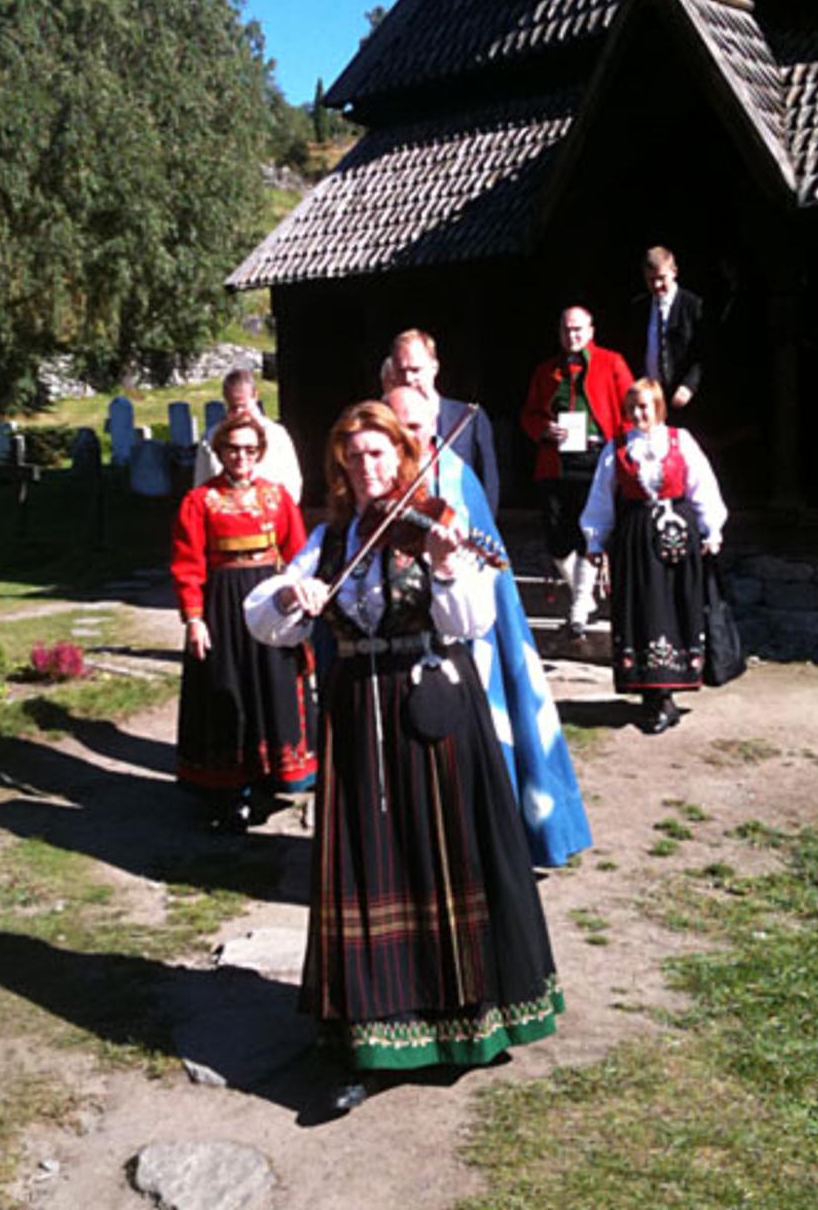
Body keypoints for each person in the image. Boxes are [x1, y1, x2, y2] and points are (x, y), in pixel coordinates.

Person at [244, 401, 562, 1108]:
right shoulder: (331, 539)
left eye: (378, 454)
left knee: (447, 859)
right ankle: (372, 1043)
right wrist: (294, 594)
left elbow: (472, 620)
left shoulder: (435, 528)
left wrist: (447, 570)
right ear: (340, 466)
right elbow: (264, 618)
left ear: (402, 457)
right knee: (369, 868)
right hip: (358, 715)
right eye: (354, 456)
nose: (367, 467)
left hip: (434, 707)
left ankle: (468, 1024)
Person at [385, 384, 592, 868]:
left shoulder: (456, 476)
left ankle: (491, 844)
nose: (407, 438)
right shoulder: (375, 481)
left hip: (464, 637)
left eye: (415, 427)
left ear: (433, 425)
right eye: (397, 429)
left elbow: (488, 558)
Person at [172, 411, 317, 829]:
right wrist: (194, 619)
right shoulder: (198, 501)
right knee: (228, 688)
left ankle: (274, 778)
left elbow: (300, 555)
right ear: (220, 452)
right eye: (233, 449)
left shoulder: (278, 497)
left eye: (250, 450)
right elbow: (188, 565)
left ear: (260, 453)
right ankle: (230, 789)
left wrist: (299, 603)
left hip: (270, 600)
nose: (242, 457)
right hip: (222, 606)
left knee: (274, 685)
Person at [580, 378, 727, 734]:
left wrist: (712, 529)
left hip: (679, 540)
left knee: (676, 609)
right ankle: (653, 697)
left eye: (644, 406)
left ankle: (667, 694)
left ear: (658, 407)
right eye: (632, 407)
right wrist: (595, 541)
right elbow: (601, 497)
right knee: (643, 611)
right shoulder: (617, 448)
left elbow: (702, 485)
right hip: (635, 541)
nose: (638, 414)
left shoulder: (680, 441)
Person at [520, 306, 633, 637]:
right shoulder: (546, 370)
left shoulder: (612, 363)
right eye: (567, 330)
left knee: (590, 532)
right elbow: (529, 415)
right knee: (556, 535)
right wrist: (544, 429)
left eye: (578, 329)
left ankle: (580, 604)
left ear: (591, 330)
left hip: (597, 457)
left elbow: (630, 408)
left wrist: (622, 447)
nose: (573, 336)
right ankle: (584, 597)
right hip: (555, 459)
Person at [389, 328, 499, 515]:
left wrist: (482, 526)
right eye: (401, 371)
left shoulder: (469, 418)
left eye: (415, 370)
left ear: (434, 367)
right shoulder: (386, 419)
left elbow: (488, 485)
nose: (408, 379)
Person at [194, 368, 303, 503]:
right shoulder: (211, 438)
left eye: (243, 406)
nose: (239, 412)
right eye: (233, 407)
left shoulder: (277, 436)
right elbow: (201, 486)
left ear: (255, 395)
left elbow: (292, 485)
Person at [638, 245, 703, 413]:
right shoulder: (639, 307)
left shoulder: (693, 306)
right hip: (649, 399)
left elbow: (703, 351)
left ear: (674, 272)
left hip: (683, 397)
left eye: (661, 278)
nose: (657, 285)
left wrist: (689, 384)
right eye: (651, 280)